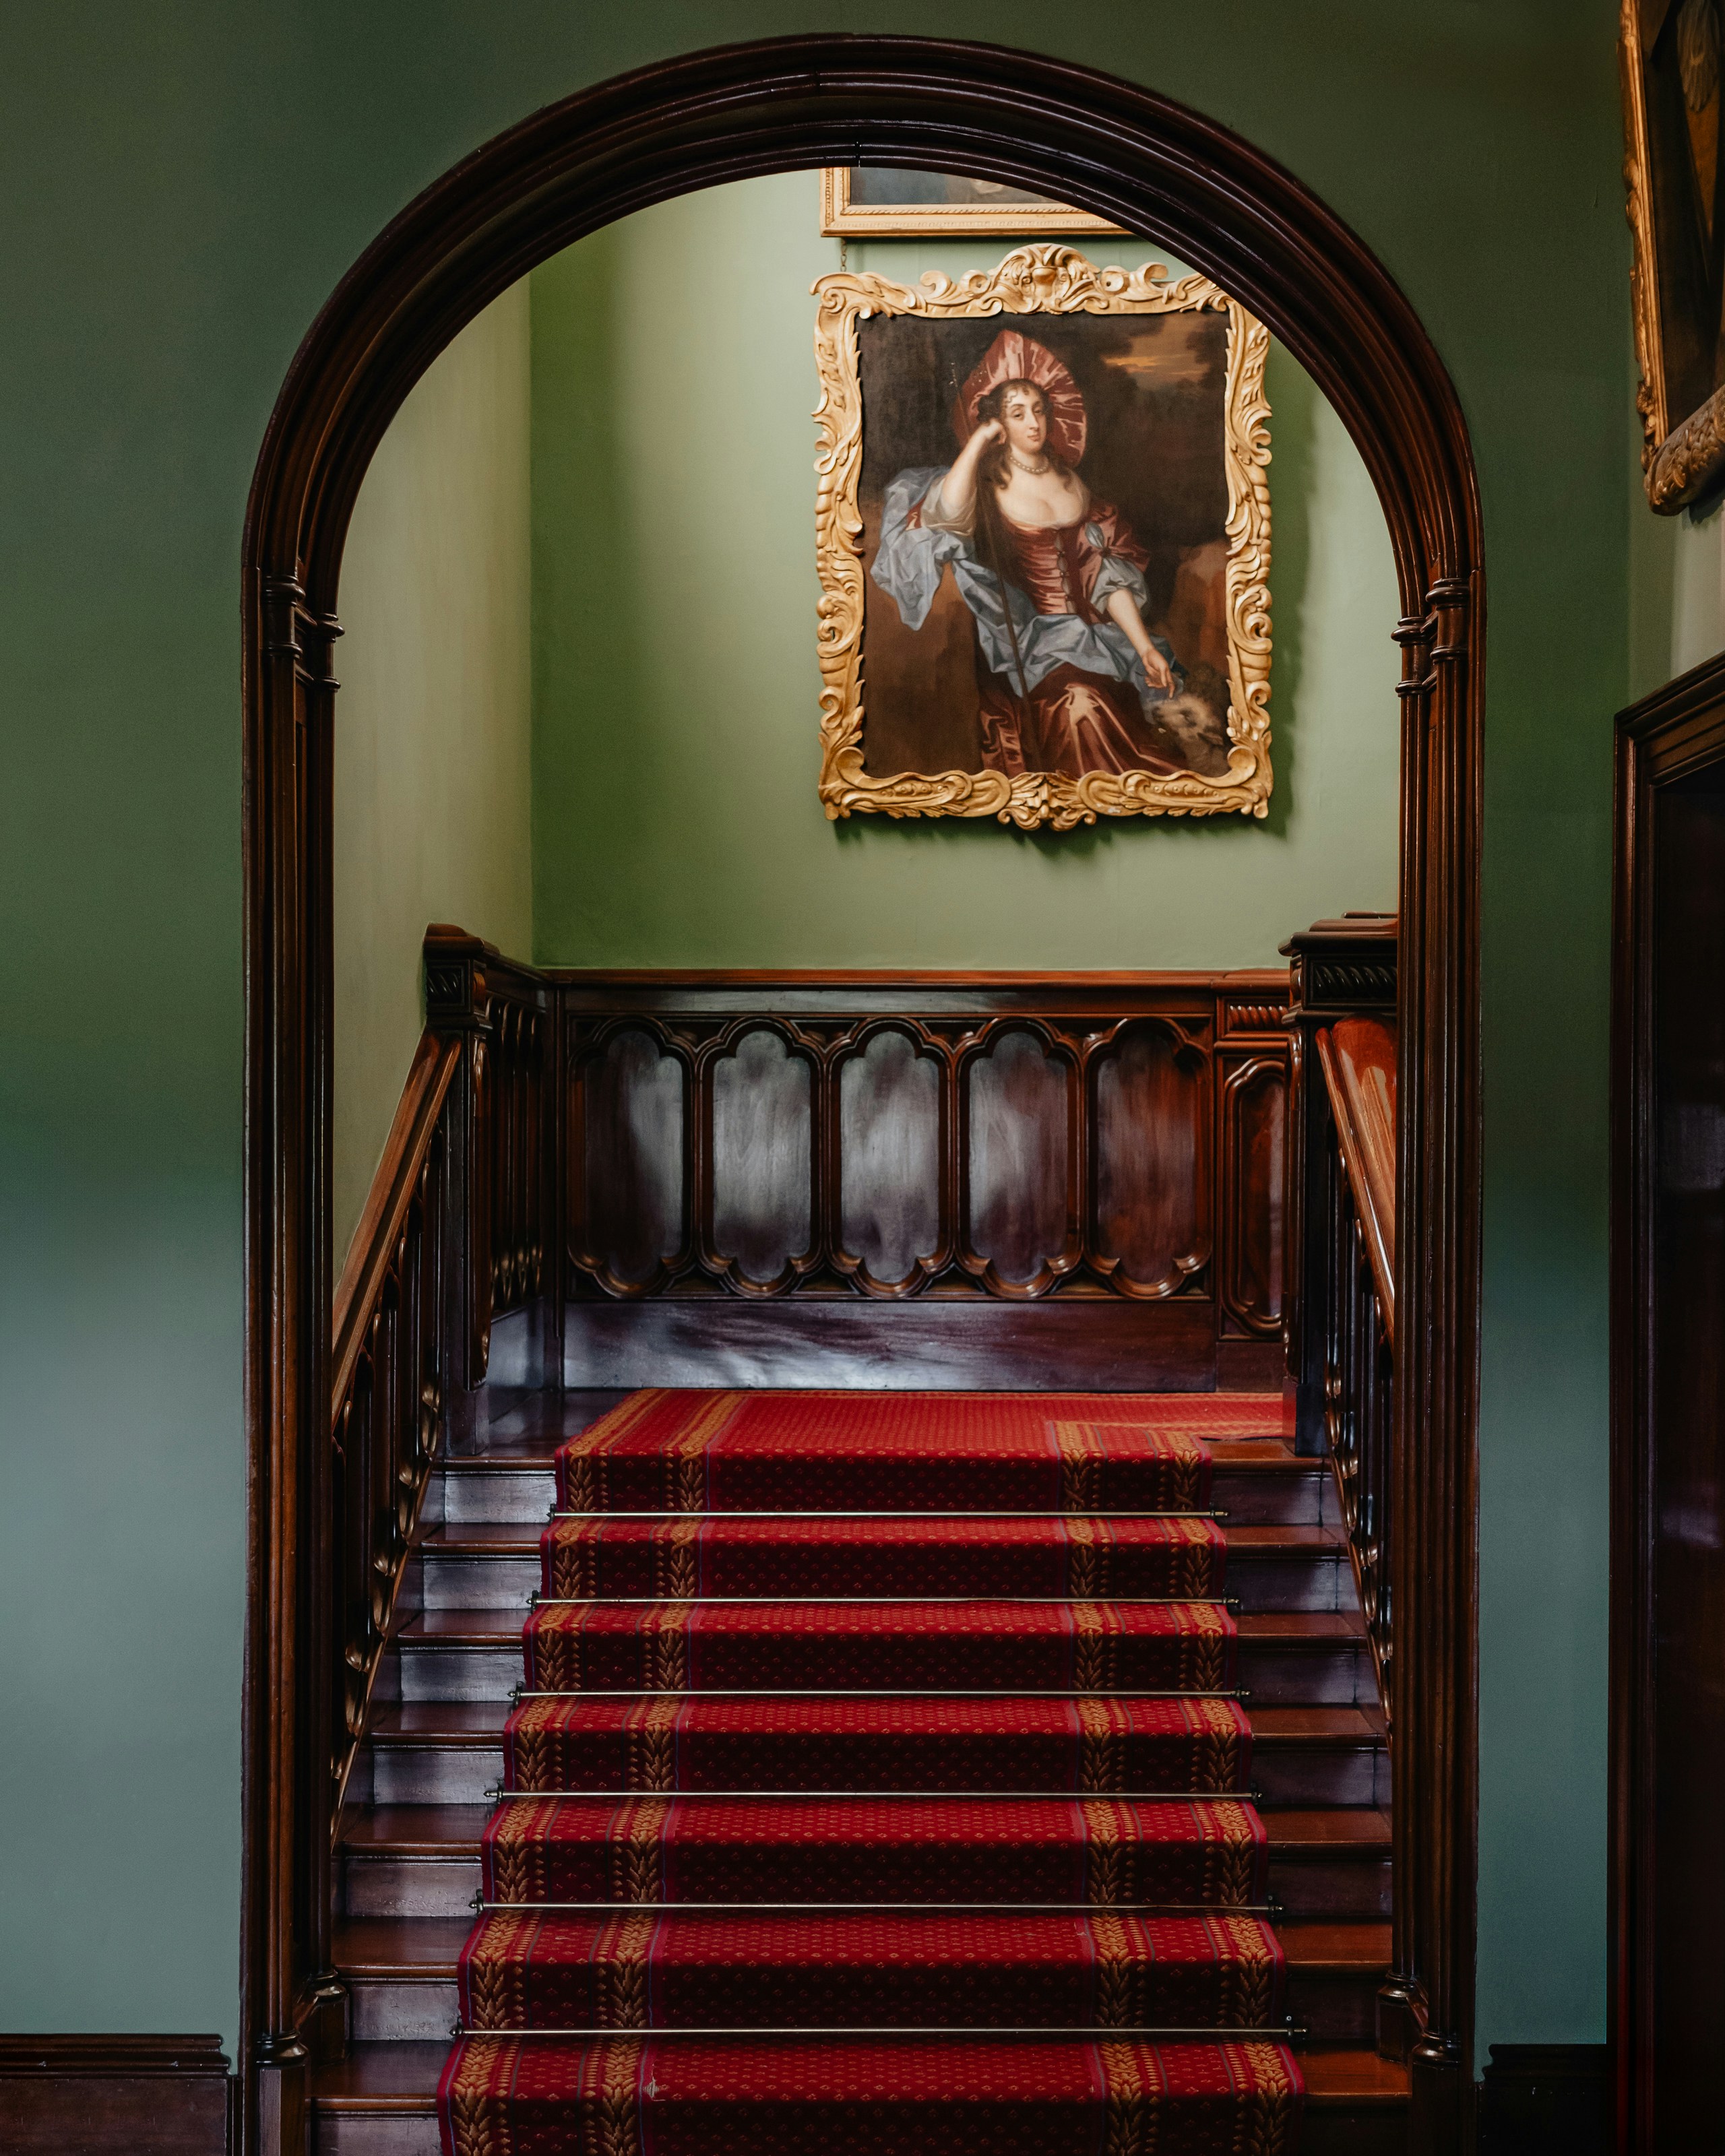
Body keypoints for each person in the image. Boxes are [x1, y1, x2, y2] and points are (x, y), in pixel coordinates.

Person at [871, 327, 1189, 779]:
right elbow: (945, 513)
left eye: (1039, 410)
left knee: (1135, 710)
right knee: (1079, 705)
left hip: (1097, 640)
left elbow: (1107, 577)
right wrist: (981, 441)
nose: (1034, 423)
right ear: (999, 423)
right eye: (1018, 414)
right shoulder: (986, 484)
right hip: (1028, 642)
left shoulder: (1073, 484)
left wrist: (1142, 648)